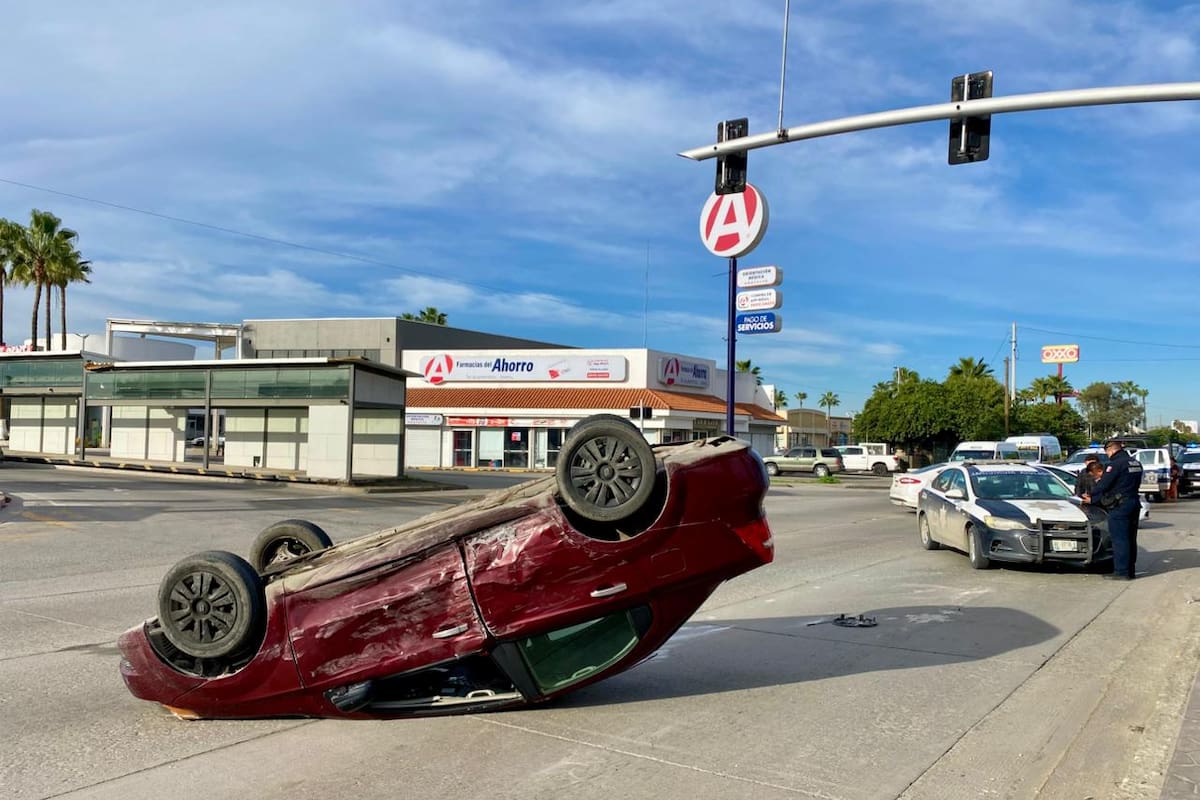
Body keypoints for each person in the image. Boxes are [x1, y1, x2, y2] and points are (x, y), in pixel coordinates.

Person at [1082, 439, 1144, 580]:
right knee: (1130, 538)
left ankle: (1121, 572)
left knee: (1119, 539)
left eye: (1107, 452)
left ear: (1111, 450)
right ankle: (1130, 570)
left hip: (1120, 506)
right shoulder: (1135, 462)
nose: (1107, 455)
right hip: (1134, 503)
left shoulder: (1115, 464)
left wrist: (1092, 496)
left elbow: (1104, 484)